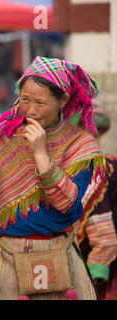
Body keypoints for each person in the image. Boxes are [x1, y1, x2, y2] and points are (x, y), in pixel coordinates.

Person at [0, 56, 104, 300]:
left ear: (63, 101)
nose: (31, 110)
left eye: (41, 103)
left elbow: (68, 205)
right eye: (25, 100)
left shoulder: (81, 147)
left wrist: (41, 155)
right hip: (1, 258)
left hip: (60, 256)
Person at [72, 105, 117, 300]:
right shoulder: (111, 162)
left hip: (96, 267)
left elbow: (104, 236)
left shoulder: (93, 167)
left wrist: (91, 279)